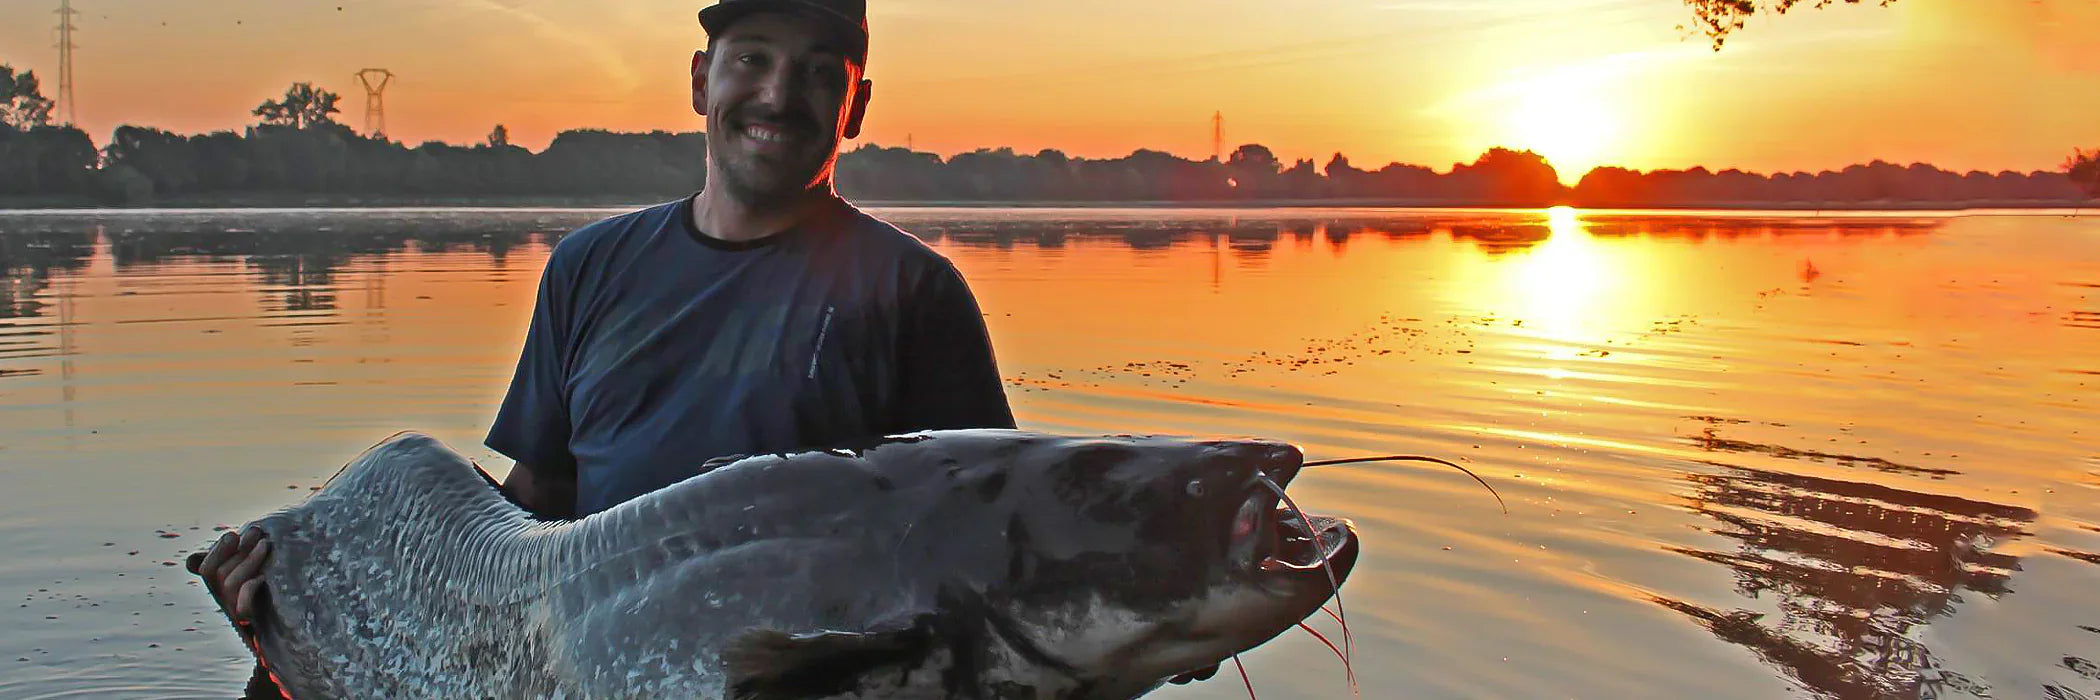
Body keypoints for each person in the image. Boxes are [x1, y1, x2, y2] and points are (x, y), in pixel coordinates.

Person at [191, 0, 1030, 694]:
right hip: (593, 675)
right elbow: (534, 512)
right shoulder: (589, 267)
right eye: (752, 60)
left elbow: (981, 550)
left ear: (857, 105)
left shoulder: (913, 292)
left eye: (818, 71)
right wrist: (303, 604)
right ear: (702, 81)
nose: (778, 95)